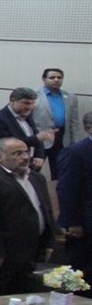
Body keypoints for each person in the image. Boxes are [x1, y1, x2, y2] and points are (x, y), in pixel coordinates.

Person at [0, 137, 55, 298]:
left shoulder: (37, 178)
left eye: (26, 152)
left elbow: (46, 211)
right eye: (17, 153)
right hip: (3, 255)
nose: (25, 157)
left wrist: (48, 242)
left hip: (30, 251)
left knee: (23, 297)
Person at [57, 112, 92, 276]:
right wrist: (72, 222)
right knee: (83, 272)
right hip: (85, 223)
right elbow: (67, 189)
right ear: (89, 129)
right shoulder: (75, 152)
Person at [0, 87, 55, 171]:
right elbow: (5, 145)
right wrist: (36, 138)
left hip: (30, 164)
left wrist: (39, 156)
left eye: (32, 103)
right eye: (26, 103)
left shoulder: (27, 115)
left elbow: (38, 138)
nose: (30, 107)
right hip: (10, 166)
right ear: (13, 101)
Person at [33, 68, 83, 175]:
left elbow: (74, 122)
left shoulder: (71, 97)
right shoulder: (34, 96)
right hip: (40, 138)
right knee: (33, 171)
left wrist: (76, 143)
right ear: (44, 79)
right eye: (52, 77)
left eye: (59, 78)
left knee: (60, 171)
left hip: (62, 138)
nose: (56, 80)